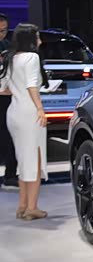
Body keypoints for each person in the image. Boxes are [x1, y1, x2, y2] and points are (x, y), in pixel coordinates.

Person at [0, 23, 48, 220]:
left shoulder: (10, 58)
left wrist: (18, 90)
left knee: (23, 160)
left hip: (14, 113)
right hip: (29, 113)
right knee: (34, 161)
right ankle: (32, 208)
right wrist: (40, 108)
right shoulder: (32, 57)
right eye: (37, 37)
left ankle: (22, 206)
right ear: (30, 39)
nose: (40, 41)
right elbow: (31, 86)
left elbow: (3, 89)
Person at [0, 13, 18, 188]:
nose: (1, 34)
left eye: (4, 31)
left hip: (7, 98)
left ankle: (10, 175)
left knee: (9, 136)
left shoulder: (8, 46)